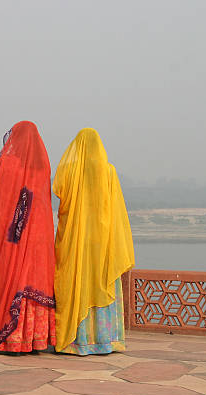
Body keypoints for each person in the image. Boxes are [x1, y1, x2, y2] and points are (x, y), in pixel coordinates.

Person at [53, 128, 135, 355]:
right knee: (101, 282)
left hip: (73, 240)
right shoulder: (108, 171)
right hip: (102, 241)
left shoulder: (68, 170)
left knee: (75, 282)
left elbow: (60, 200)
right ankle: (104, 340)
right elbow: (115, 209)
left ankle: (74, 341)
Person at [0, 121, 56, 354]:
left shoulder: (7, 163)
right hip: (38, 238)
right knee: (33, 281)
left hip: (12, 237)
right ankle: (34, 341)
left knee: (13, 281)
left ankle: (11, 340)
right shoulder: (42, 167)